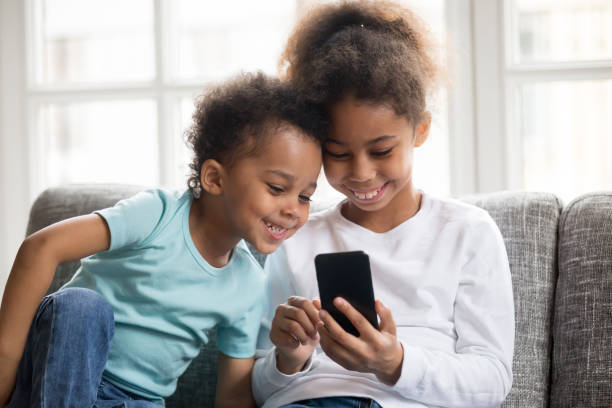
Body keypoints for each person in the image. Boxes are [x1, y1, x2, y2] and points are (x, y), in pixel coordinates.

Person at [0, 72, 328, 407]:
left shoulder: (248, 284)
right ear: (215, 178)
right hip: (52, 377)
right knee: (82, 307)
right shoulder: (157, 214)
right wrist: (5, 368)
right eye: (277, 188)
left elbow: (233, 395)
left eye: (305, 197)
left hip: (137, 401)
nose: (293, 209)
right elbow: (42, 247)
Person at [252, 1, 515, 407]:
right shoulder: (296, 237)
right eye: (337, 152)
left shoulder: (468, 232)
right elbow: (260, 388)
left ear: (420, 129)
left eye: (381, 150)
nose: (360, 173)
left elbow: (492, 381)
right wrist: (289, 359)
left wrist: (396, 363)